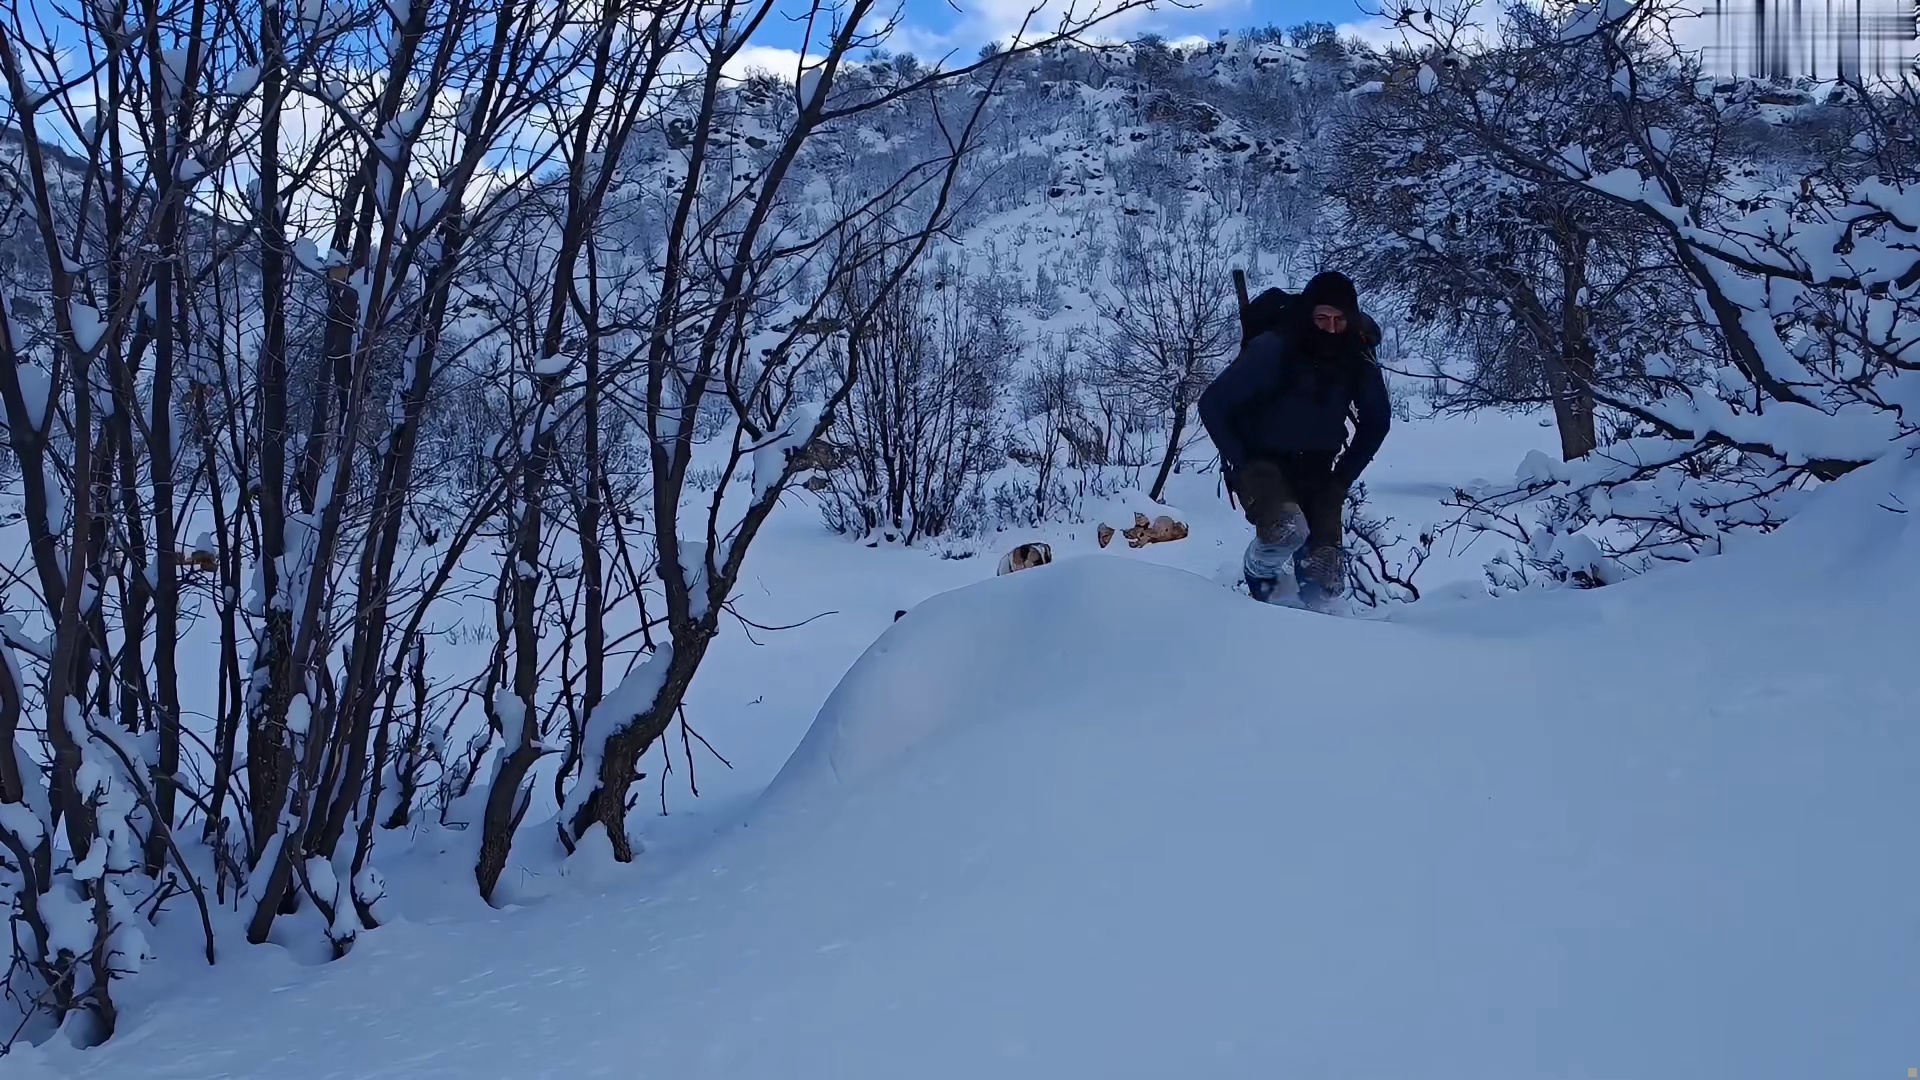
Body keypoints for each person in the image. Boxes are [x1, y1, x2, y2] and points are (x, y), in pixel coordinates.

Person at [1197, 271, 1391, 607]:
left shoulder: (1355, 356)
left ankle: (1320, 633)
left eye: (1339, 319)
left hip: (1318, 467)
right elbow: (1213, 404)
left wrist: (1343, 477)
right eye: (1321, 318)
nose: (1330, 328)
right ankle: (1262, 592)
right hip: (1262, 462)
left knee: (1326, 574)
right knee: (1286, 531)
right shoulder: (1275, 347)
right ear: (1307, 314)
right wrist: (1243, 464)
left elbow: (1377, 420)